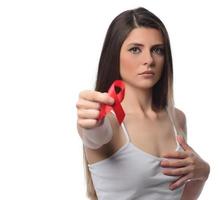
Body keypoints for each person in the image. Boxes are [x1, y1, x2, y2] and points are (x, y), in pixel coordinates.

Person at [76, 7, 210, 200]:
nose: (148, 60)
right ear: (114, 55)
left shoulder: (177, 119)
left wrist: (203, 173)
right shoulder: (109, 122)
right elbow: (94, 136)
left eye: (157, 50)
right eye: (135, 49)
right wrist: (89, 123)